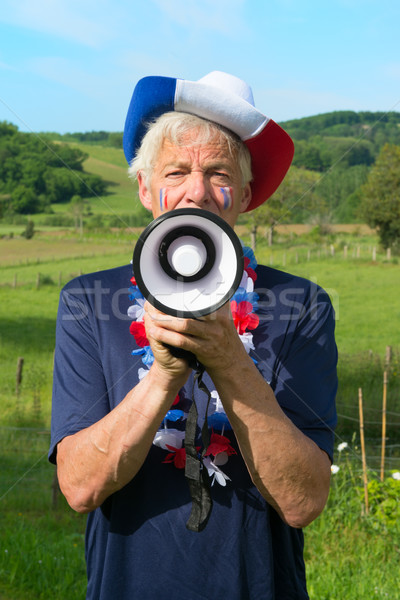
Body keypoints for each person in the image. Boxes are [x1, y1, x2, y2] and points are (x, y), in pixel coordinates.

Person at [49, 71, 337, 600]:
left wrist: (230, 362)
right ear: (143, 188)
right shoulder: (87, 302)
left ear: (245, 195)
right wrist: (162, 377)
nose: (197, 191)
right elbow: (80, 487)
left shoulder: (302, 306)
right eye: (176, 170)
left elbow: (304, 502)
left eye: (219, 173)